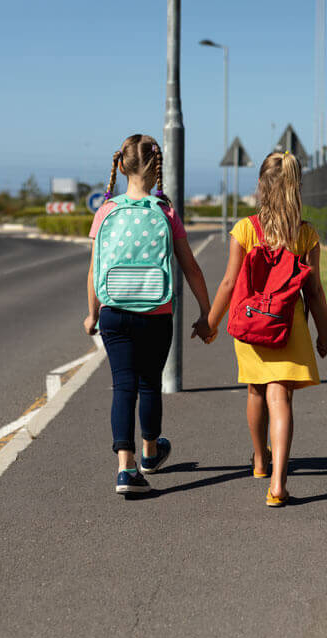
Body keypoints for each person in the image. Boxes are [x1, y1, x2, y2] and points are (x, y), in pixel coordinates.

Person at [204, 151, 327, 507]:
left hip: (251, 323)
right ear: (296, 188)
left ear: (261, 186)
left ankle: (260, 461)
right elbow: (314, 291)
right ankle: (278, 483)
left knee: (255, 391)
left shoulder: (246, 229)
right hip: (288, 325)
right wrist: (325, 334)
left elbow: (229, 283)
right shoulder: (306, 234)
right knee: (280, 397)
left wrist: (210, 323)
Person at [84, 134, 213, 495]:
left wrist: (92, 313)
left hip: (114, 311)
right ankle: (150, 453)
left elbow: (95, 270)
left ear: (121, 166)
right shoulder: (165, 211)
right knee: (149, 383)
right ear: (158, 169)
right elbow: (191, 268)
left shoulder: (106, 211)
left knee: (123, 385)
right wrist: (206, 313)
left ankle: (124, 470)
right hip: (156, 311)